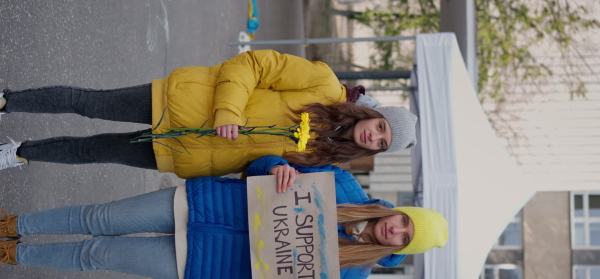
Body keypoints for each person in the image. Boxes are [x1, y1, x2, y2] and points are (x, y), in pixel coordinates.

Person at [0, 155, 447, 279]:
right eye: (406, 221)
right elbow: (259, 165)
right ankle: (15, 226)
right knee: (98, 218)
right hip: (201, 204)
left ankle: (13, 257)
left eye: (405, 238)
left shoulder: (350, 278)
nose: (397, 230)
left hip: (199, 262)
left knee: (96, 255)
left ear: (398, 250)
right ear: (402, 212)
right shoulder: (343, 185)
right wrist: (277, 167)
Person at [0, 49, 417, 178]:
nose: (374, 137)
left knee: (94, 153)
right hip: (182, 103)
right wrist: (228, 110)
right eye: (381, 127)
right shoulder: (324, 85)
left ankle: (19, 153)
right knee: (87, 103)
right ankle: (7, 100)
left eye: (382, 143)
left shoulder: (325, 162)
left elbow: (255, 172)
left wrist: (274, 172)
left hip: (189, 152)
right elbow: (252, 65)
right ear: (372, 113)